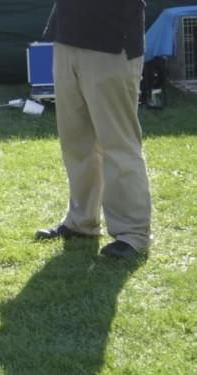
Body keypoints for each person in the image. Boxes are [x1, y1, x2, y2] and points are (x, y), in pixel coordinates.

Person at [35, 0, 152, 258]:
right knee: (76, 142)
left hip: (112, 42)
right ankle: (81, 221)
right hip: (68, 39)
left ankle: (132, 234)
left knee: (118, 144)